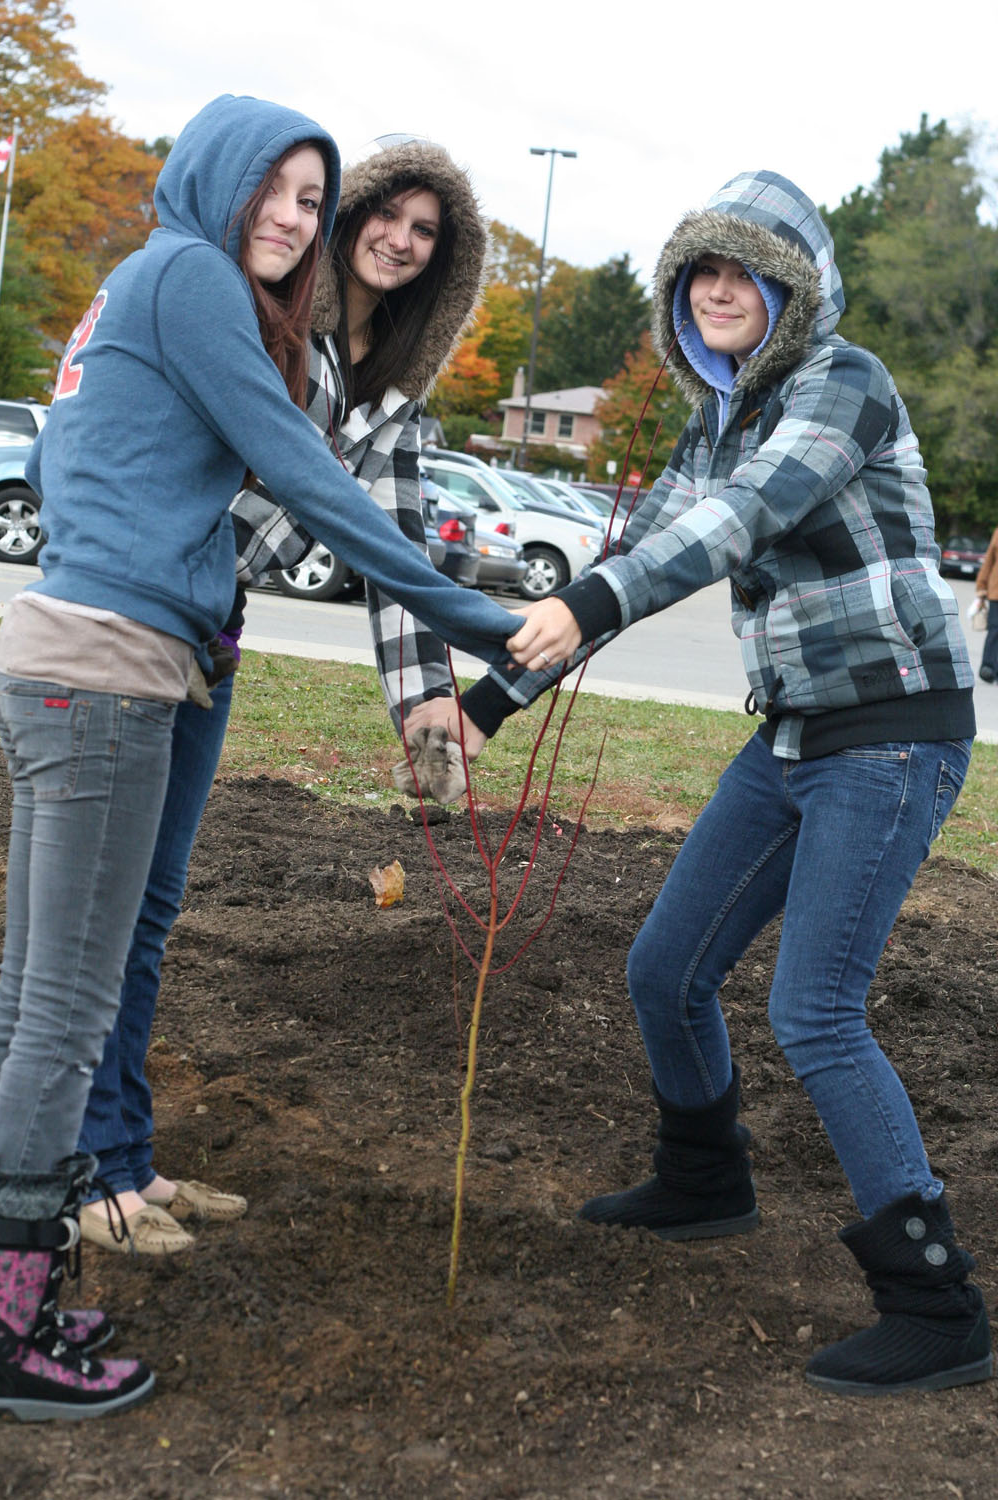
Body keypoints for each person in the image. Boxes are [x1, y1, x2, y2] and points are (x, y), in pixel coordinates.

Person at [411, 170, 993, 1396]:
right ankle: (703, 1181)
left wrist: (585, 600)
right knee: (664, 970)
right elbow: (646, 549)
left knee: (815, 1012)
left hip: (890, 738)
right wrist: (483, 707)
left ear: (795, 293)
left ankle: (936, 1304)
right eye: (699, 274)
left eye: (745, 273)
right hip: (791, 736)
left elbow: (737, 521)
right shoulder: (720, 417)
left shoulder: (844, 384)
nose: (717, 291)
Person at [0, 95, 520, 1421]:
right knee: (61, 1010)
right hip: (113, 659)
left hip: (118, 646)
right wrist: (493, 627)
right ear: (224, 182)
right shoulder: (197, 282)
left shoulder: (166, 285)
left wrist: (428, 692)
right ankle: (15, 1311)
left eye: (310, 198)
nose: (300, 219)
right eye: (285, 193)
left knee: (51, 990)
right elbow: (303, 475)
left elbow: (77, 456)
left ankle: (58, 1232)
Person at [75, 133, 493, 1256]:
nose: (399, 241)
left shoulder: (389, 394)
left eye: (426, 233)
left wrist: (427, 704)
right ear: (344, 214)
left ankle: (127, 1158)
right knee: (100, 922)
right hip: (140, 617)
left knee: (150, 915)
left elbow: (394, 552)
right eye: (384, 214)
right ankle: (87, 1171)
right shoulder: (256, 317)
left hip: (213, 635)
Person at [973, 527, 998, 682]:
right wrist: (981, 586)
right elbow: (989, 561)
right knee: (994, 630)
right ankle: (988, 667)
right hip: (996, 592)